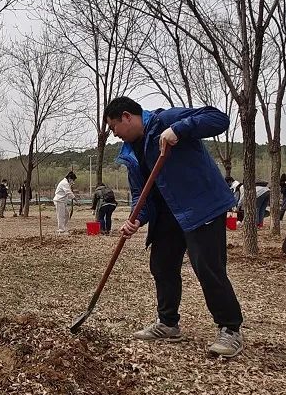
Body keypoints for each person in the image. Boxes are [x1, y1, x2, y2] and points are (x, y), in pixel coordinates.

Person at [104, 96, 245, 358]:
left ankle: (230, 328)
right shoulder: (130, 153)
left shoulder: (165, 120)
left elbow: (218, 118)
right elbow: (141, 195)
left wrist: (178, 130)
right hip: (169, 213)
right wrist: (136, 218)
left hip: (201, 205)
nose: (115, 135)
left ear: (126, 117)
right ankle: (168, 323)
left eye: (114, 128)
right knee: (162, 264)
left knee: (208, 267)